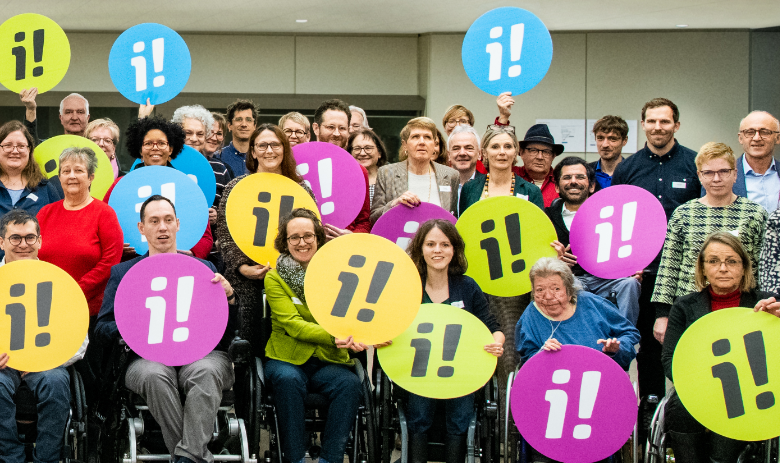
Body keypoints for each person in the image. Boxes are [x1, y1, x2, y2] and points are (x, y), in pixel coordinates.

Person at [95, 195, 238, 463]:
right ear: (142, 228)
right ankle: (193, 455)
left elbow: (228, 331)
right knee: (154, 376)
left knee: (205, 372)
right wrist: (132, 329)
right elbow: (102, 329)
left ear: (178, 225)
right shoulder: (124, 273)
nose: (162, 227)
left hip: (203, 354)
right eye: (154, 221)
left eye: (168, 220)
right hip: (146, 357)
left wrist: (230, 299)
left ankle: (184, 458)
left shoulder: (205, 268)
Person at [377, 219, 504, 463]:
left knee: (460, 413)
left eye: (445, 244)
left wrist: (497, 342)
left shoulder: (467, 287)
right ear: (420, 249)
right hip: (415, 372)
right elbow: (387, 326)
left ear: (454, 249)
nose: (438, 250)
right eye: (431, 244)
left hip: (460, 373)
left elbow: (493, 327)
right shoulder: (407, 287)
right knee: (420, 411)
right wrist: (383, 338)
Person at [610, 97, 702, 426]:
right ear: (643, 125)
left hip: (689, 277)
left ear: (676, 125)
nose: (658, 127)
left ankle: (688, 415)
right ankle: (651, 416)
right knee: (649, 348)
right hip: (644, 275)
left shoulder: (694, 164)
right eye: (651, 121)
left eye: (665, 121)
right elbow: (618, 221)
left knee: (690, 346)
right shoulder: (628, 168)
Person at [662, 232, 778, 463]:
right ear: (703, 269)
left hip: (751, 390)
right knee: (680, 405)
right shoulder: (684, 306)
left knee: (733, 403)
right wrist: (704, 386)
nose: (722, 268)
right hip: (698, 388)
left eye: (731, 261)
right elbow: (669, 359)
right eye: (713, 261)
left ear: (744, 268)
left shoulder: (766, 303)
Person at [264, 208, 364, 463]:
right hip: (287, 357)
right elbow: (293, 325)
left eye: (308, 235)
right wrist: (334, 335)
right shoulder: (275, 279)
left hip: (327, 359)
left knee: (349, 384)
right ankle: (295, 458)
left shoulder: (339, 274)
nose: (302, 242)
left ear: (319, 238)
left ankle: (331, 458)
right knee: (287, 380)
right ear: (285, 243)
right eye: (294, 237)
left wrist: (370, 333)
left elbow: (356, 315)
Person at [516, 257, 639, 462]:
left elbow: (629, 333)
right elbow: (526, 358)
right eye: (539, 290)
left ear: (569, 287)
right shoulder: (530, 315)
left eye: (556, 289)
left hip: (598, 393)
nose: (547, 296)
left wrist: (615, 347)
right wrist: (540, 355)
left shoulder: (590, 303)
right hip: (550, 397)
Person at [458, 126, 542, 404]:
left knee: (507, 354)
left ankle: (508, 425)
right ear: (484, 153)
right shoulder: (470, 188)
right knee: (476, 347)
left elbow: (538, 233)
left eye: (508, 147)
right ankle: (478, 415)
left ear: (516, 152)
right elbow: (463, 232)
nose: (502, 152)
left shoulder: (530, 190)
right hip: (476, 282)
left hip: (513, 285)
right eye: (495, 147)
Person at [652, 142, 767, 341]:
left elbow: (763, 267)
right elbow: (669, 267)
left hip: (743, 309)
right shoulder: (683, 214)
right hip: (690, 308)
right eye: (709, 172)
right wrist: (662, 315)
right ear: (699, 176)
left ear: (735, 174)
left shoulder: (755, 214)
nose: (716, 178)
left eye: (723, 171)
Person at [217, 124, 315, 351]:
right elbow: (225, 233)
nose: (269, 151)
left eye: (275, 145)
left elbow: (312, 234)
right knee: (246, 344)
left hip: (291, 277)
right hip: (244, 278)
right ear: (252, 151)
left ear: (285, 149)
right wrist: (243, 267)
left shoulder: (302, 190)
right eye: (262, 145)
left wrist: (287, 268)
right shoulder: (235, 187)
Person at [0, 209, 84, 463]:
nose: (23, 244)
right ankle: (10, 458)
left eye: (30, 237)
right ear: (1, 241)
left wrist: (52, 358)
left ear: (40, 241)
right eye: (15, 238)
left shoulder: (58, 280)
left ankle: (47, 459)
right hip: (3, 364)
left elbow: (80, 337)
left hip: (47, 363)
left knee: (56, 383)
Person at [546, 157, 641, 325]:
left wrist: (633, 268)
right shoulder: (546, 218)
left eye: (580, 177)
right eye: (567, 177)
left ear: (591, 186)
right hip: (568, 279)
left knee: (630, 284)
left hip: (606, 278)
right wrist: (555, 262)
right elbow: (537, 259)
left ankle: (624, 340)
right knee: (572, 286)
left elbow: (627, 248)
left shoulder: (610, 214)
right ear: (556, 186)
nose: (573, 182)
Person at [103, 116, 213, 260]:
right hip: (131, 263)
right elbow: (102, 228)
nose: (155, 148)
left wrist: (193, 253)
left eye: (161, 143)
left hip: (178, 262)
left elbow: (205, 237)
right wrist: (116, 247)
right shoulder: (120, 185)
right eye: (148, 143)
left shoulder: (187, 186)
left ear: (171, 149)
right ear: (140, 151)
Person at [37, 147, 123, 322]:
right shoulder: (45, 213)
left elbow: (110, 261)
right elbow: (31, 255)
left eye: (79, 170)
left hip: (89, 310)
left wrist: (74, 290)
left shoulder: (104, 213)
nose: (72, 176)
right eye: (66, 171)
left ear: (91, 177)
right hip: (46, 307)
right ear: (59, 177)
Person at [371, 117, 459, 223]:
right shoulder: (386, 173)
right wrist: (394, 205)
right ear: (405, 145)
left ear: (435, 144)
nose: (422, 142)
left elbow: (454, 218)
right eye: (415, 137)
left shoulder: (450, 175)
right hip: (397, 238)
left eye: (427, 137)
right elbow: (373, 219)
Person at [311, 99, 372, 237]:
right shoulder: (298, 164)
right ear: (316, 128)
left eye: (342, 128)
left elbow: (364, 221)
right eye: (330, 127)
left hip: (343, 250)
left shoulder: (359, 171)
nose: (337, 133)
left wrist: (351, 236)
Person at [0, 121, 63, 250]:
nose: (15, 150)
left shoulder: (46, 189)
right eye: (7, 145)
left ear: (29, 150)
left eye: (21, 146)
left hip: (35, 267)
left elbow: (60, 230)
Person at [732, 110, 780, 213]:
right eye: (750, 132)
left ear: (778, 138)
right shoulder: (722, 175)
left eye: (765, 132)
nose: (757, 138)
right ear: (740, 138)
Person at [516, 124, 564, 207]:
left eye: (546, 152)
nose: (540, 157)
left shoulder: (562, 182)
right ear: (521, 152)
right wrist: (502, 122)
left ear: (553, 156)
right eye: (533, 150)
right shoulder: (510, 175)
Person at [21, 91, 90, 141]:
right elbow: (31, 143)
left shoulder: (98, 146)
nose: (74, 118)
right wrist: (30, 109)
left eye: (80, 112)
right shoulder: (50, 146)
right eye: (68, 112)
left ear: (88, 117)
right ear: (61, 118)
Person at [347, 128, 388, 209]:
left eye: (368, 148)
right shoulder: (346, 180)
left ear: (379, 152)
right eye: (357, 148)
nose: (362, 153)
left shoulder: (390, 178)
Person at [219, 99, 257, 176]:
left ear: (254, 126)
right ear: (229, 126)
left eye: (249, 120)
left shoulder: (262, 156)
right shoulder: (218, 157)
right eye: (239, 119)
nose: (244, 124)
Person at [589, 115, 629, 189]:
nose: (605, 145)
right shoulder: (586, 171)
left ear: (624, 141)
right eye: (600, 138)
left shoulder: (634, 172)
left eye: (612, 139)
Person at [447, 125, 482, 205]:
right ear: (449, 155)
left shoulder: (488, 185)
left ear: (479, 154)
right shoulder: (439, 185)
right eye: (456, 148)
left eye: (469, 148)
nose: (462, 153)